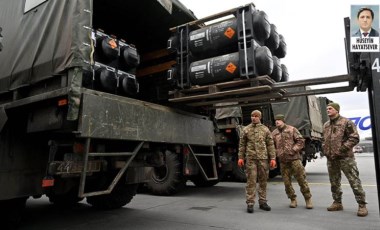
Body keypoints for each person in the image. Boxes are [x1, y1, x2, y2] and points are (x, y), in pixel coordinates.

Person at [323, 102, 368, 217]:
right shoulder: (326, 125)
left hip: (345, 158)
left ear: (337, 110)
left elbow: (354, 137)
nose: (328, 110)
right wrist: (325, 150)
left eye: (330, 108)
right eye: (327, 109)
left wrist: (342, 149)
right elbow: (325, 140)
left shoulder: (346, 122)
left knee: (354, 181)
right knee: (334, 182)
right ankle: (337, 202)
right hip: (331, 159)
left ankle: (362, 205)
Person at [237, 110, 276, 213]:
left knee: (263, 181)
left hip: (263, 159)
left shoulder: (265, 129)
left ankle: (263, 202)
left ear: (259, 117)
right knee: (251, 181)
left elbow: (270, 145)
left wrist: (273, 158)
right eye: (252, 115)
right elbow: (242, 145)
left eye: (255, 116)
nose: (253, 117)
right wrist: (240, 157)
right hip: (251, 159)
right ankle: (250, 203)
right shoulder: (246, 129)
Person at [271, 114, 313, 209]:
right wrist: (275, 154)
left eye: (279, 120)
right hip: (283, 161)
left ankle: (308, 199)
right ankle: (293, 199)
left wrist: (293, 150)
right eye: (276, 120)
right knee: (287, 182)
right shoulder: (274, 133)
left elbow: (301, 141)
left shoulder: (291, 129)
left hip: (294, 160)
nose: (277, 122)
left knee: (301, 180)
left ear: (283, 121)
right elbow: (271, 146)